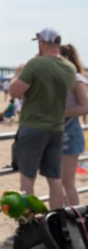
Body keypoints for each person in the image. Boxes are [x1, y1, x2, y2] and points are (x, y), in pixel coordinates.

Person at [8, 27, 86, 210]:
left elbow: (14, 92)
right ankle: (57, 220)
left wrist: (18, 73)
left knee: (27, 179)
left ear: (42, 43)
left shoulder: (36, 64)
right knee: (55, 179)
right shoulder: (70, 68)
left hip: (33, 127)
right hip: (56, 130)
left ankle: (29, 223)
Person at [60, 43, 88, 205]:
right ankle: (67, 217)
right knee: (62, 183)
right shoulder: (67, 78)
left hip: (70, 134)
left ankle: (76, 218)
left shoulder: (76, 78)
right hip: (62, 133)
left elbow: (85, 106)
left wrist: (60, 113)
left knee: (68, 183)